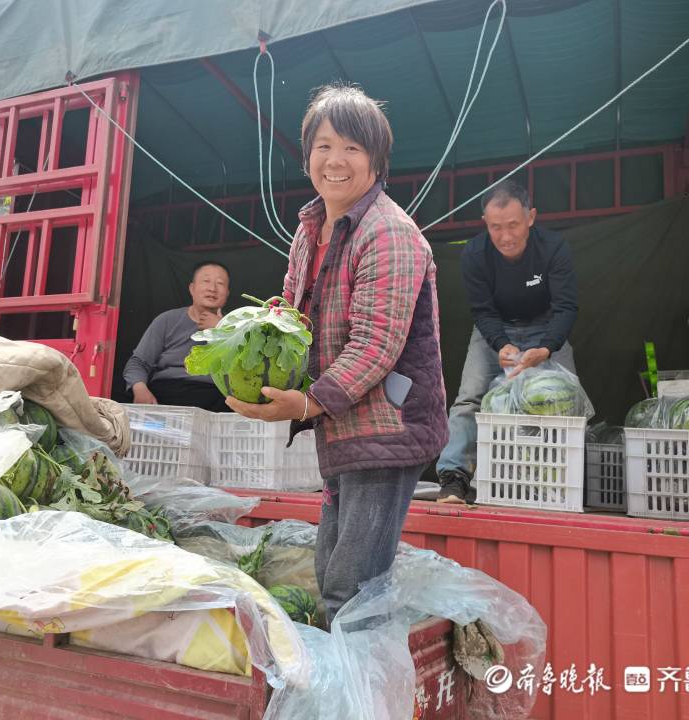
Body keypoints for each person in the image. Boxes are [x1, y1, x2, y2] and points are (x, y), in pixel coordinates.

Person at [225, 84, 448, 626]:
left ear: (375, 160)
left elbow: (375, 346)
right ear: (307, 157)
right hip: (343, 429)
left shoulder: (389, 232)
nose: (336, 160)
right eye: (324, 146)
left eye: (352, 147)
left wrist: (304, 403)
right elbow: (303, 316)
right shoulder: (310, 232)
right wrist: (273, 325)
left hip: (385, 431)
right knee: (332, 577)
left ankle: (358, 699)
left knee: (350, 594)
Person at [436, 180, 578, 503]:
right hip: (495, 328)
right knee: (469, 397)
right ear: (486, 223)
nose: (506, 236)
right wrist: (500, 344)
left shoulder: (554, 248)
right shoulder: (474, 254)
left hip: (546, 330)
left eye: (513, 225)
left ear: (531, 217)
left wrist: (545, 349)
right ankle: (454, 479)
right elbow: (482, 311)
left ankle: (564, 482)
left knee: (566, 400)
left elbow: (566, 307)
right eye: (496, 227)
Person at [123, 261, 230, 411]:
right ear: (192, 289)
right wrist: (140, 389)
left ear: (227, 293)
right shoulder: (167, 320)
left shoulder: (236, 328)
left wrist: (222, 329)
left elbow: (248, 373)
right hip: (168, 393)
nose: (212, 288)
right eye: (206, 281)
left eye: (220, 283)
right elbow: (138, 363)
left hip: (215, 396)